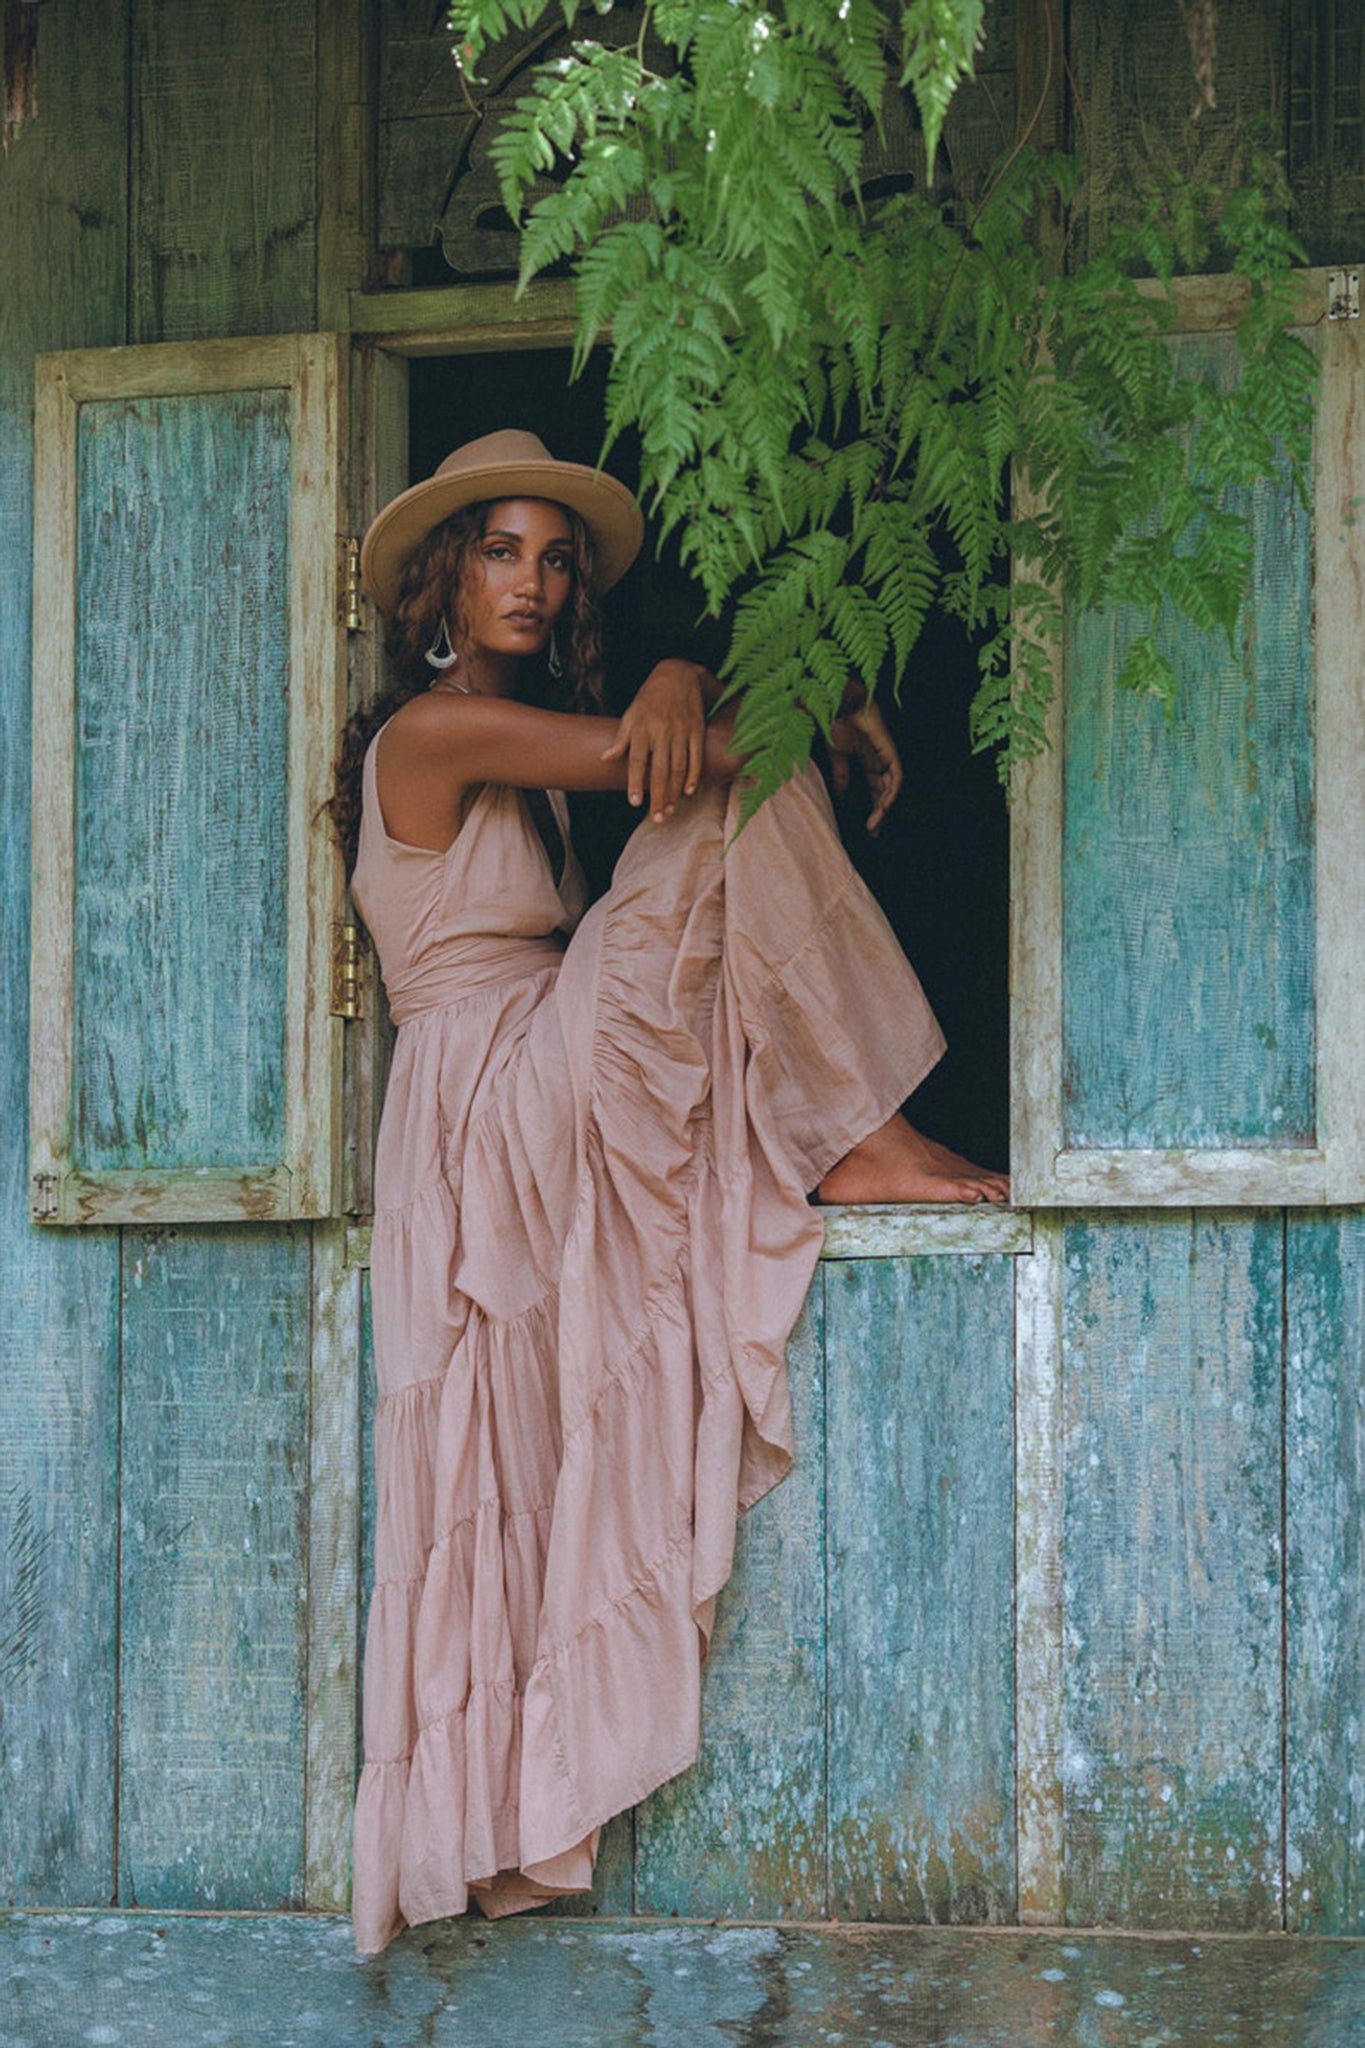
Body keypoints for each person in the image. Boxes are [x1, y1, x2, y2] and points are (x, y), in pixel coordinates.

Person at [329, 429, 1008, 1955]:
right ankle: (857, 1130)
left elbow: (662, 755)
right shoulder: (429, 735)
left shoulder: (538, 752)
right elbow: (703, 761)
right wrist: (733, 687)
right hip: (487, 1094)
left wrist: (691, 681)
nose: (534, 577)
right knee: (734, 799)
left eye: (556, 557)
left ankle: (844, 1123)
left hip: (521, 1076)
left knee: (716, 826)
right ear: (442, 580)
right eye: (500, 549)